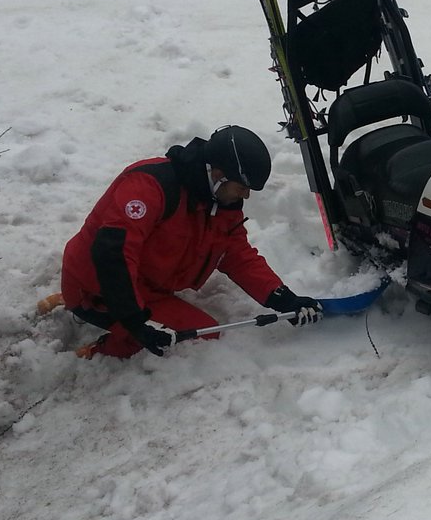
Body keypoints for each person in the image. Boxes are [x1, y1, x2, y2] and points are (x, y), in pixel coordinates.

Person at [61, 126, 323, 358]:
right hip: (95, 286)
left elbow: (237, 255)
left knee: (204, 334)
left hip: (149, 290)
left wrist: (284, 299)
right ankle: (102, 350)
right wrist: (135, 321)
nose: (246, 195)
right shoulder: (149, 186)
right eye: (242, 186)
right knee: (167, 341)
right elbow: (113, 254)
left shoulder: (222, 202)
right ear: (219, 173)